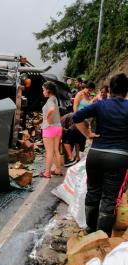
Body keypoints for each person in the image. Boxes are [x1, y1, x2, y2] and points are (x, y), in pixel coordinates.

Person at [73, 73, 128, 236]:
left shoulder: (100, 105)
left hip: (95, 155)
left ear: (109, 90)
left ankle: (90, 230)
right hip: (118, 158)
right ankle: (102, 237)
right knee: (109, 198)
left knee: (93, 192)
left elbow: (76, 117)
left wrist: (88, 134)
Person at [40, 81, 63, 178]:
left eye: (44, 90)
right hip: (58, 127)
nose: (43, 92)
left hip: (49, 128)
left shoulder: (50, 101)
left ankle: (47, 173)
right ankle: (58, 170)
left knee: (49, 151)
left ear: (48, 90)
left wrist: (48, 119)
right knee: (56, 150)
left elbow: (52, 109)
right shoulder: (55, 99)